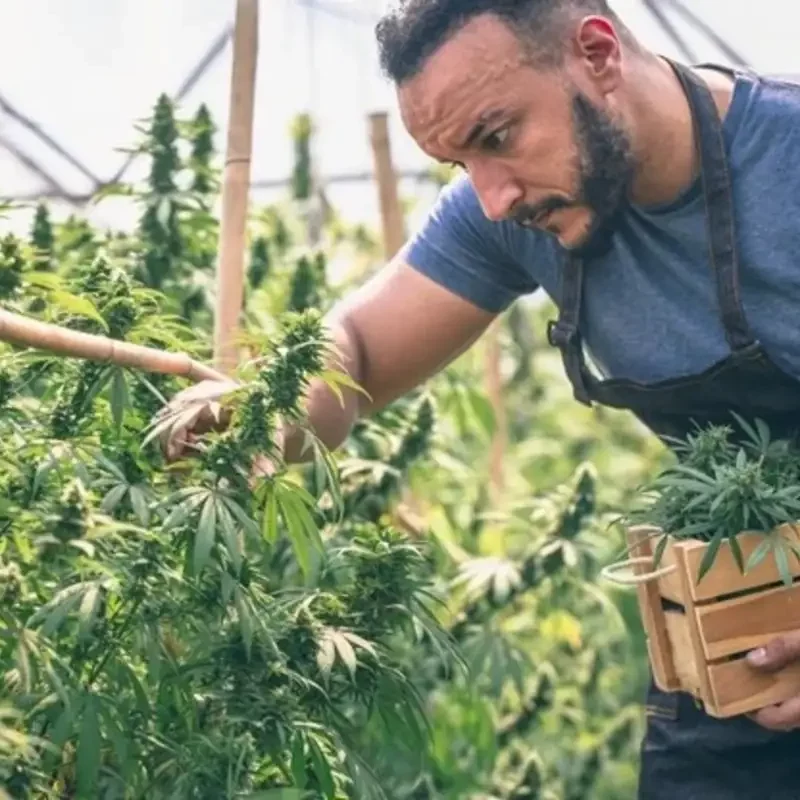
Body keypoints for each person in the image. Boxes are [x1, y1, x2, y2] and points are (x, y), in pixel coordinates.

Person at [160, 0, 800, 795]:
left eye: (497, 138)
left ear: (597, 54)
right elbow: (356, 347)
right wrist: (268, 411)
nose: (494, 196)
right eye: (462, 164)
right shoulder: (511, 213)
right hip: (741, 626)